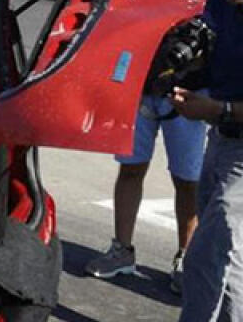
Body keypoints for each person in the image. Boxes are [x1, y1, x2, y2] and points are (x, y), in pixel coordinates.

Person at [116, 0, 243, 322]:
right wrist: (191, 91)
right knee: (227, 257)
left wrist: (218, 109)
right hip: (222, 139)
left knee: (205, 257)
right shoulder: (223, 2)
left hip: (237, 145)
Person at [84, 97, 205, 293]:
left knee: (187, 181)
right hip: (142, 89)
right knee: (130, 169)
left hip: (187, 89)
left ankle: (186, 258)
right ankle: (122, 251)